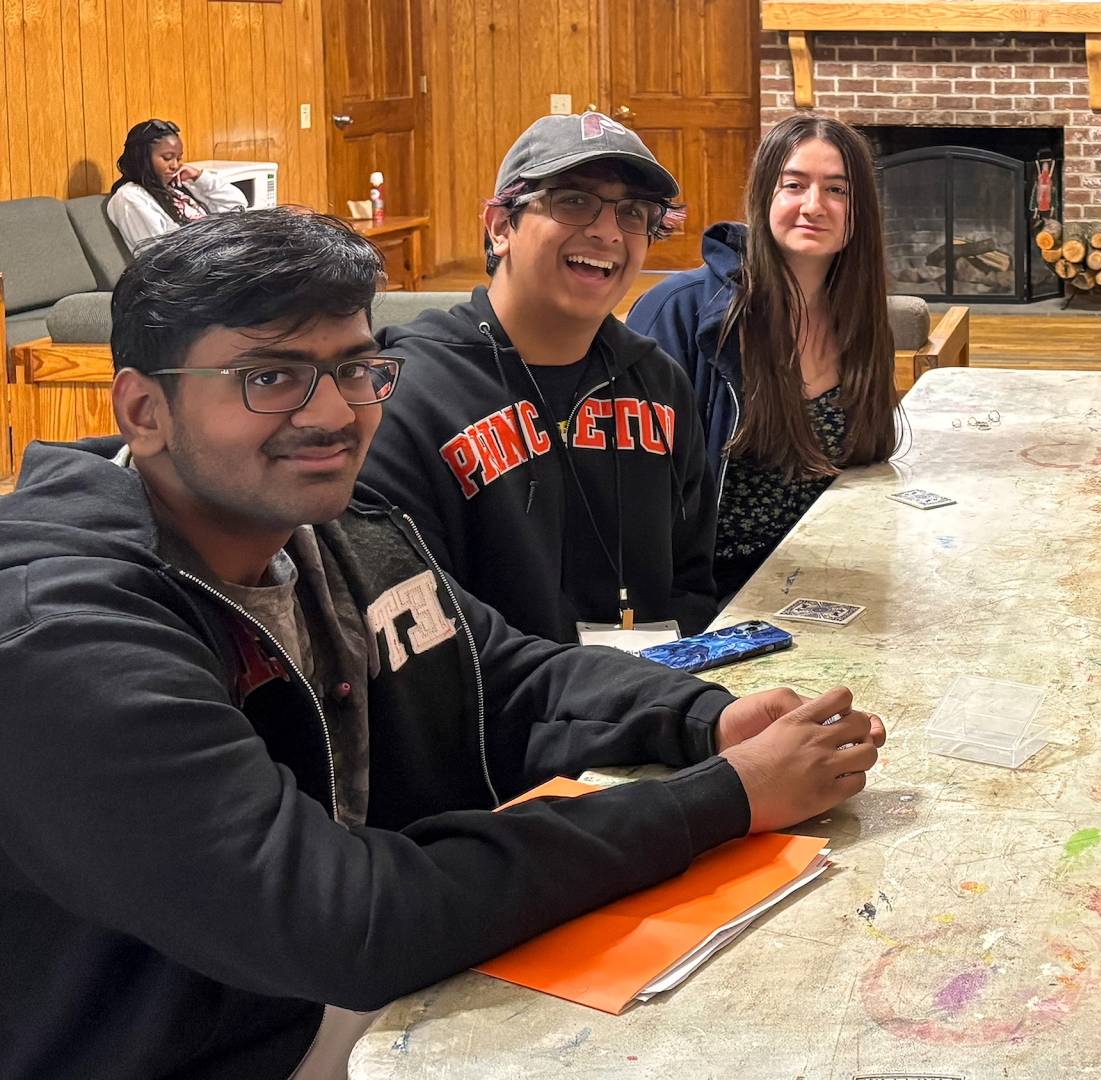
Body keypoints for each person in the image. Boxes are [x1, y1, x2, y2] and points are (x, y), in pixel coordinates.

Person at [0, 209, 886, 1080]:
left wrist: (704, 719)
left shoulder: (335, 528)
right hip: (228, 1037)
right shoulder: (64, 637)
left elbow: (505, 679)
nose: (332, 415)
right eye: (269, 377)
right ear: (143, 409)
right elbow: (345, 923)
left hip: (364, 994)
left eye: (353, 369)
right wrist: (723, 799)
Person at [362, 112, 719, 644]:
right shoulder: (409, 398)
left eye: (634, 213)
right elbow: (415, 629)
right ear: (501, 226)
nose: (606, 231)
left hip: (647, 702)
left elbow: (690, 582)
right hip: (496, 717)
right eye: (573, 201)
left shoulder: (659, 385)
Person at [626, 114, 898, 598]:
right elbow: (633, 503)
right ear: (763, 195)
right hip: (707, 593)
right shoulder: (679, 312)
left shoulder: (860, 315)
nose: (814, 206)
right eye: (794, 185)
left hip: (821, 574)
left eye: (838, 190)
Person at [106, 118, 248, 251]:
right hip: (195, 271)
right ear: (142, 158)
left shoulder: (181, 186)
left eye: (179, 158)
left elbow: (237, 205)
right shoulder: (130, 197)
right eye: (167, 158)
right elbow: (160, 254)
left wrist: (199, 177)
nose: (175, 165)